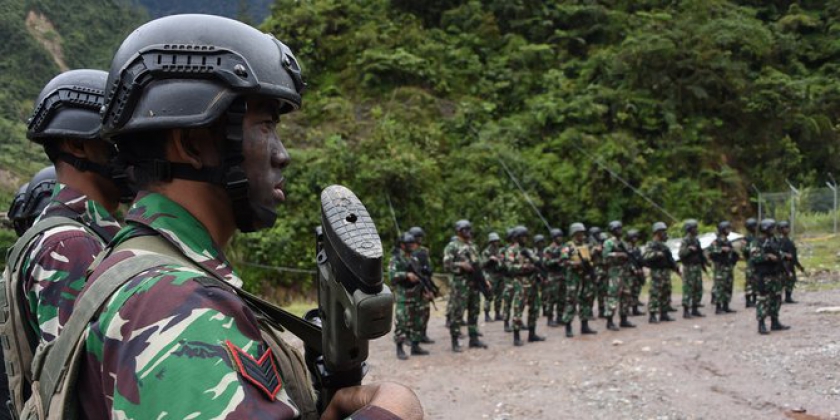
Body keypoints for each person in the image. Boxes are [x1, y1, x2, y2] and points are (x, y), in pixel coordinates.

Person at [69, 15, 420, 419]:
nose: (282, 153)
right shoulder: (174, 305)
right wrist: (394, 411)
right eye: (266, 125)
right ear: (192, 143)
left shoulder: (139, 266)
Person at [0, 70, 131, 417]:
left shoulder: (69, 232)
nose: (130, 151)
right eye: (116, 137)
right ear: (77, 144)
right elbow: (75, 386)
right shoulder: (71, 245)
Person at [443, 219, 488, 352]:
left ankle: (474, 338)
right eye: (465, 230)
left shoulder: (473, 246)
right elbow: (446, 265)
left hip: (474, 284)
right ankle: (455, 340)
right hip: (460, 285)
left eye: (469, 229)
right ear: (458, 231)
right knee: (457, 313)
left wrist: (485, 281)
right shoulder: (452, 246)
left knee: (474, 311)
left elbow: (478, 265)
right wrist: (461, 265)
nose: (468, 232)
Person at [504, 226, 545, 346]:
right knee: (518, 308)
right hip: (520, 283)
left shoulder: (529, 251)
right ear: (517, 238)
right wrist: (525, 268)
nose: (525, 239)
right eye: (523, 236)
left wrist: (537, 269)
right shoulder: (511, 251)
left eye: (526, 236)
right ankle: (516, 336)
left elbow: (537, 261)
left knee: (535, 308)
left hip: (532, 283)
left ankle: (532, 334)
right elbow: (509, 267)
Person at [391, 233, 429, 360]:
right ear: (402, 245)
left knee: (418, 322)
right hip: (404, 296)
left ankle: (415, 346)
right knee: (402, 323)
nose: (412, 245)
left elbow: (420, 277)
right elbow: (392, 276)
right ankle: (400, 348)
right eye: (409, 243)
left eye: (413, 243)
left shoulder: (415, 259)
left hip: (417, 295)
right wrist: (406, 275)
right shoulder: (396, 259)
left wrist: (425, 290)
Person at [750, 219, 790, 335]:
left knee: (776, 298)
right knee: (763, 299)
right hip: (764, 275)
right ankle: (761, 324)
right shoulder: (757, 242)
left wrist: (784, 256)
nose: (773, 230)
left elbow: (778, 252)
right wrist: (767, 257)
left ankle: (775, 321)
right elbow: (755, 257)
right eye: (771, 228)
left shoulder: (774, 240)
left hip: (775, 274)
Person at [560, 223, 598, 337]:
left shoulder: (587, 246)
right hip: (573, 277)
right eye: (579, 234)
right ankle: (568, 326)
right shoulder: (568, 246)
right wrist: (576, 263)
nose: (581, 236)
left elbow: (593, 259)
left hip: (586, 276)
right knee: (571, 300)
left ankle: (584, 325)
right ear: (574, 234)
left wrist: (596, 253)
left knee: (586, 299)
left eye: (582, 233)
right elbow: (563, 261)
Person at [602, 221, 635, 330]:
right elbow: (605, 257)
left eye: (621, 229)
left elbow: (629, 256)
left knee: (626, 295)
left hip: (624, 272)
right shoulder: (609, 243)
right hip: (614, 272)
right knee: (612, 296)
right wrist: (618, 254)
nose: (620, 231)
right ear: (613, 230)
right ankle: (609, 321)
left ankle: (624, 319)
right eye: (618, 229)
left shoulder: (624, 243)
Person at [642, 222, 677, 323]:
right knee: (655, 293)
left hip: (665, 272)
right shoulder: (651, 244)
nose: (665, 234)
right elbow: (645, 256)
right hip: (657, 272)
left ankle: (664, 313)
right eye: (662, 232)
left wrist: (675, 267)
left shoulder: (664, 246)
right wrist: (657, 254)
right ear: (657, 233)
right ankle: (652, 315)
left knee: (666, 291)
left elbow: (670, 259)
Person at [408, 226, 435, 343]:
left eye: (420, 237)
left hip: (424, 283)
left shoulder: (424, 251)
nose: (419, 240)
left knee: (425, 311)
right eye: (417, 237)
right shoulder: (407, 251)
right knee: (411, 313)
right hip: (411, 287)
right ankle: (408, 336)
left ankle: (423, 334)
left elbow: (428, 267)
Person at [708, 221, 739, 314]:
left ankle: (726, 305)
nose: (729, 231)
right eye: (727, 229)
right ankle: (718, 307)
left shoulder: (727, 241)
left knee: (728, 286)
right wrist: (721, 249)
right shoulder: (717, 241)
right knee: (720, 287)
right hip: (720, 268)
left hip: (728, 267)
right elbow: (710, 251)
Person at [679, 219, 706, 318]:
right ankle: (686, 310)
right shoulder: (686, 240)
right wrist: (689, 249)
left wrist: (704, 262)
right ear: (689, 229)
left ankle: (695, 308)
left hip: (697, 266)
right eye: (694, 228)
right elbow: (681, 254)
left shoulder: (696, 240)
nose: (696, 230)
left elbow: (700, 253)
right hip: (689, 267)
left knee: (698, 288)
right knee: (688, 289)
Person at [777, 221, 805, 304]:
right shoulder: (779, 240)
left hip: (791, 264)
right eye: (785, 228)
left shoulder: (788, 240)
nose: (787, 229)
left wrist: (799, 266)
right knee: (781, 282)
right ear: (780, 230)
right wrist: (785, 255)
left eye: (787, 227)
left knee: (791, 281)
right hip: (783, 264)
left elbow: (793, 255)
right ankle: (778, 298)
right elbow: (777, 251)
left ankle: (788, 297)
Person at [542, 228, 565, 327]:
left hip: (563, 275)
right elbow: (545, 262)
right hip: (553, 275)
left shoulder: (564, 248)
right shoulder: (548, 249)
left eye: (561, 236)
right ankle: (550, 318)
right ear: (554, 238)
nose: (560, 238)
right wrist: (557, 260)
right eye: (558, 237)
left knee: (562, 298)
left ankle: (560, 317)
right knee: (551, 298)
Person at [481, 232, 506, 322]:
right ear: (490, 241)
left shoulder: (499, 250)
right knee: (489, 295)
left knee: (499, 295)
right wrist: (490, 259)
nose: (496, 242)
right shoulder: (486, 252)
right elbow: (482, 264)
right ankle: (487, 315)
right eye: (494, 241)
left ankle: (497, 314)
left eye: (497, 241)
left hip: (500, 275)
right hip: (491, 275)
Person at [589, 226, 608, 318]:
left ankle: (602, 310)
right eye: (597, 234)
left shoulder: (602, 242)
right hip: (594, 270)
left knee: (602, 291)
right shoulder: (590, 244)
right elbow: (588, 255)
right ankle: (589, 311)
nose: (599, 235)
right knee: (592, 292)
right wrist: (595, 249)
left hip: (603, 269)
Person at [625, 229, 646, 316]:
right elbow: (627, 261)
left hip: (638, 272)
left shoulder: (637, 248)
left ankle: (635, 309)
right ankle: (626, 310)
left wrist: (641, 268)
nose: (636, 239)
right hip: (630, 273)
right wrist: (633, 269)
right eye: (634, 237)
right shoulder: (626, 248)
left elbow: (640, 259)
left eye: (636, 237)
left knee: (636, 291)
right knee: (628, 292)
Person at [742, 218, 759, 307]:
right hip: (750, 261)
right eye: (754, 226)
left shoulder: (756, 237)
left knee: (756, 281)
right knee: (749, 281)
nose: (756, 228)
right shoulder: (746, 238)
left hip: (757, 261)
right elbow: (744, 249)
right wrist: (752, 249)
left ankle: (755, 299)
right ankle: (748, 300)